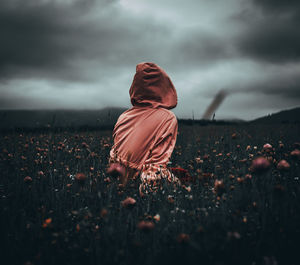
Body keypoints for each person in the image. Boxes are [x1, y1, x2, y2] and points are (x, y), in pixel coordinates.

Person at [109, 62, 179, 195]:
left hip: (117, 179)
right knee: (185, 188)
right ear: (164, 87)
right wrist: (148, 200)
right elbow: (156, 166)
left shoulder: (124, 116)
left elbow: (114, 155)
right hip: (141, 183)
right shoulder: (168, 118)